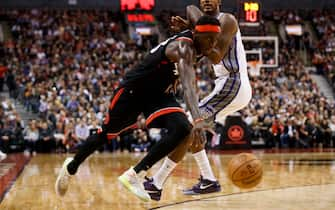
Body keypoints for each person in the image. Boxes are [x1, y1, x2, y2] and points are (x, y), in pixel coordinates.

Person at [55, 15, 222, 202]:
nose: (211, 44)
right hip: (134, 90)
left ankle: (135, 175)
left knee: (183, 128)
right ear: (196, 34)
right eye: (208, 39)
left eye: (215, 40)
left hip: (159, 94)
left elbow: (213, 49)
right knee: (106, 134)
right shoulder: (183, 48)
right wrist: (198, 119)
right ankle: (71, 167)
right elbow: (188, 85)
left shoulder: (202, 42)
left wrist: (199, 33)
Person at [143, 0, 252, 200]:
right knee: (189, 127)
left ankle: (157, 183)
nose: (207, 1)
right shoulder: (203, 24)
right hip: (225, 84)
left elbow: (217, 56)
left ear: (219, 1)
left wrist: (196, 31)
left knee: (189, 124)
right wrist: (195, 32)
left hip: (234, 80)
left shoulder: (227, 19)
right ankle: (208, 180)